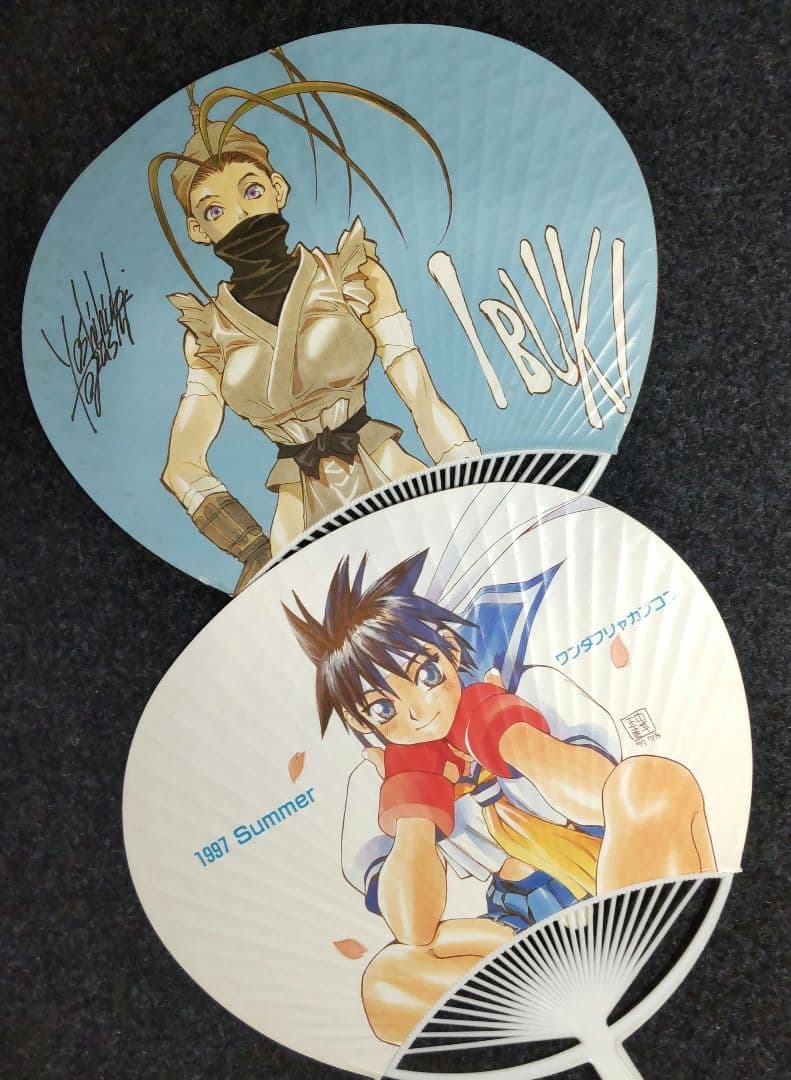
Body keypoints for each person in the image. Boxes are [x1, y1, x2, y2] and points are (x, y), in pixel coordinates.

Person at [285, 550, 717, 1044]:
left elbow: (603, 795)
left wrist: (503, 733)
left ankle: (629, 958)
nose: (419, 713)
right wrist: (416, 801)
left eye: (427, 675)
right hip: (520, 921)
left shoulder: (528, 687)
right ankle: (568, 1003)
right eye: (384, 709)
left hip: (617, 870)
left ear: (450, 648)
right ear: (358, 722)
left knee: (652, 782)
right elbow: (413, 927)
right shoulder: (376, 781)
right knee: (388, 982)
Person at [153, 87, 479, 593]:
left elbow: (420, 394)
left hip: (396, 481)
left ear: (278, 188)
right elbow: (181, 468)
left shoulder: (353, 274)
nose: (240, 215)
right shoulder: (207, 334)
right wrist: (254, 550)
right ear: (197, 229)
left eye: (251, 191)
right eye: (214, 211)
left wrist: (471, 485)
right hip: (299, 529)